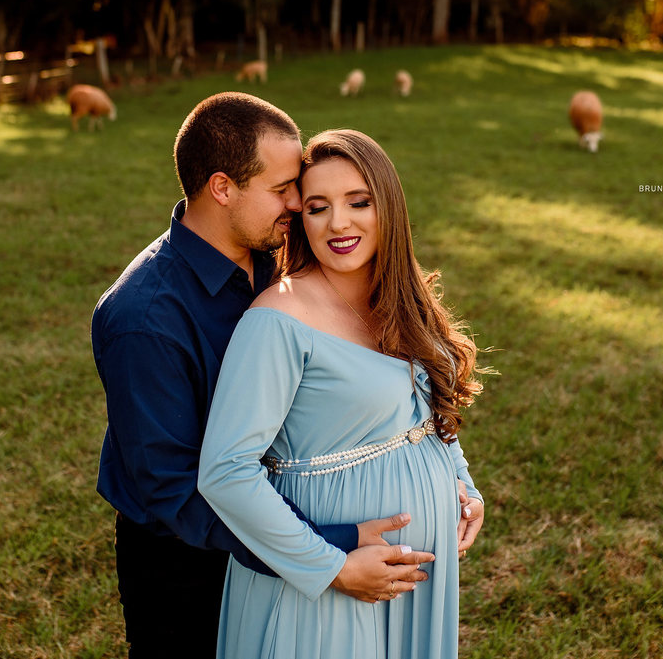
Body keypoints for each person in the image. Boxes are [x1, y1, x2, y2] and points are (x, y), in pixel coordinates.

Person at [91, 94, 440, 659]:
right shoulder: (144, 319)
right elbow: (171, 491)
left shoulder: (274, 258)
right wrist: (325, 552)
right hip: (187, 565)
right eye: (283, 189)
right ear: (223, 188)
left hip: (278, 530)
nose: (298, 203)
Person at [198, 128, 486, 659]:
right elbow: (225, 471)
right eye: (317, 207)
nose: (339, 223)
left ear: (390, 207)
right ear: (299, 220)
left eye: (359, 201)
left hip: (414, 575)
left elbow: (422, 412)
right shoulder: (278, 320)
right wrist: (333, 566)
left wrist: (462, 486)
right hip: (328, 575)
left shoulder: (403, 299)